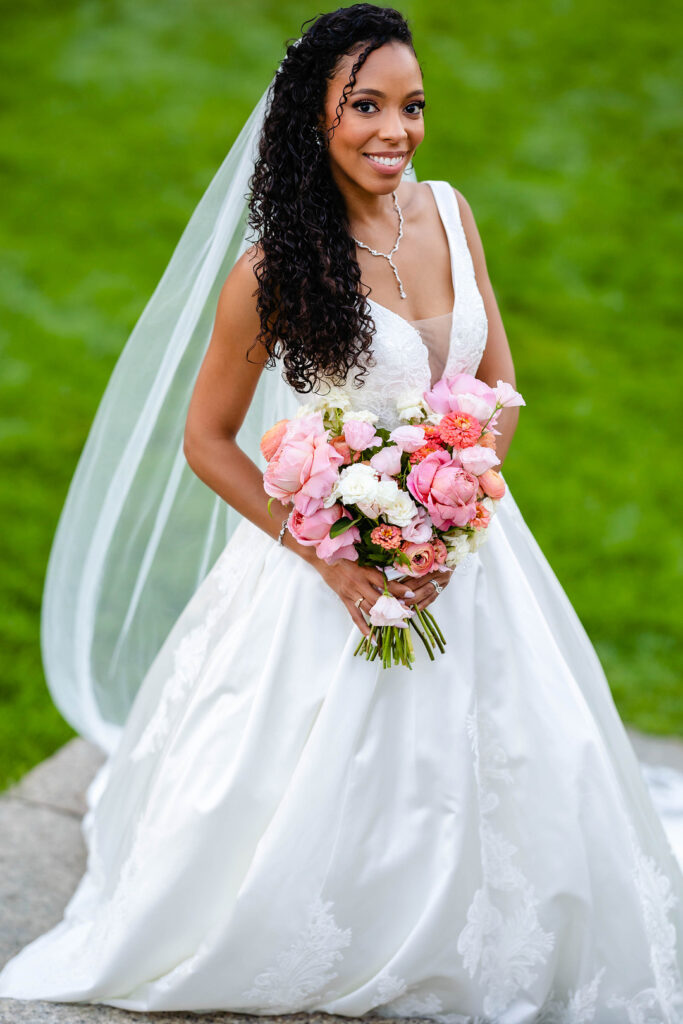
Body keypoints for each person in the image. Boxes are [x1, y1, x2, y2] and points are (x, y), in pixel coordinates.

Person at [1, 5, 682, 1020]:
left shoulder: (449, 211)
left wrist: (452, 517)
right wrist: (329, 558)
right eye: (362, 105)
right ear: (310, 121)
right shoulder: (272, 273)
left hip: (468, 555)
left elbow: (496, 380)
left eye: (410, 106)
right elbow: (206, 440)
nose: (392, 131)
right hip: (326, 568)